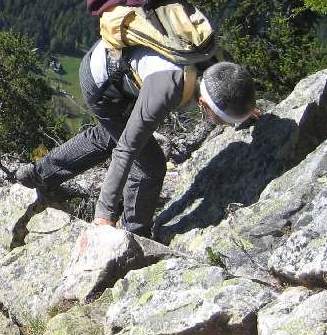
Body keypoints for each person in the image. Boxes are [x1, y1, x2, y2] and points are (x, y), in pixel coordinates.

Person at [16, 33, 258, 238]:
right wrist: (104, 212)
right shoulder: (168, 88)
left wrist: (242, 113)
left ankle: (38, 174)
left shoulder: (224, 69)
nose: (228, 125)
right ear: (203, 102)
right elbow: (126, 150)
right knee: (150, 165)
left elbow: (233, 94)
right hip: (101, 83)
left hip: (121, 69)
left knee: (110, 135)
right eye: (225, 120)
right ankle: (134, 236)